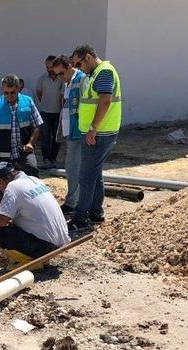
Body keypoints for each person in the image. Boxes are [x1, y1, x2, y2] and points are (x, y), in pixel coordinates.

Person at [68, 44, 122, 236]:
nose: (79, 68)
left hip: (99, 134)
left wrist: (93, 128)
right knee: (95, 173)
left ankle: (81, 219)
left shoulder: (103, 72)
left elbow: (105, 100)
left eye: (79, 64)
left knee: (86, 176)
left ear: (89, 57)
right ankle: (96, 213)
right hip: (99, 132)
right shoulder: (96, 73)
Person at [0, 162, 71, 265]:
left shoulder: (12, 187)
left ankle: (29, 259)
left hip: (46, 247)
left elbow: (2, 221)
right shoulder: (33, 180)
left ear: (1, 182)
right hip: (62, 241)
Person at [0, 74, 43, 177]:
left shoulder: (28, 101)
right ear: (3, 90)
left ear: (18, 89)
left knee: (32, 174)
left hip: (23, 152)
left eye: (12, 93)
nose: (9, 96)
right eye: (6, 93)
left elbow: (37, 124)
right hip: (3, 155)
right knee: (3, 183)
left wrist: (31, 143)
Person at [52, 55, 86, 217]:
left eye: (61, 73)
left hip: (79, 131)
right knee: (72, 167)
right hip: (70, 131)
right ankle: (76, 200)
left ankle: (73, 202)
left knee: (73, 168)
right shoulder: (68, 82)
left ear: (70, 66)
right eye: (56, 74)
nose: (59, 77)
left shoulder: (81, 80)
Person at [36, 55, 64, 169]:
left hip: (58, 112)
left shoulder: (62, 80)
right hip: (45, 112)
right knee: (45, 136)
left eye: (51, 66)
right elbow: (39, 93)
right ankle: (46, 158)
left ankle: (53, 158)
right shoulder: (42, 79)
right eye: (47, 67)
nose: (49, 69)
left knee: (56, 137)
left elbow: (62, 96)